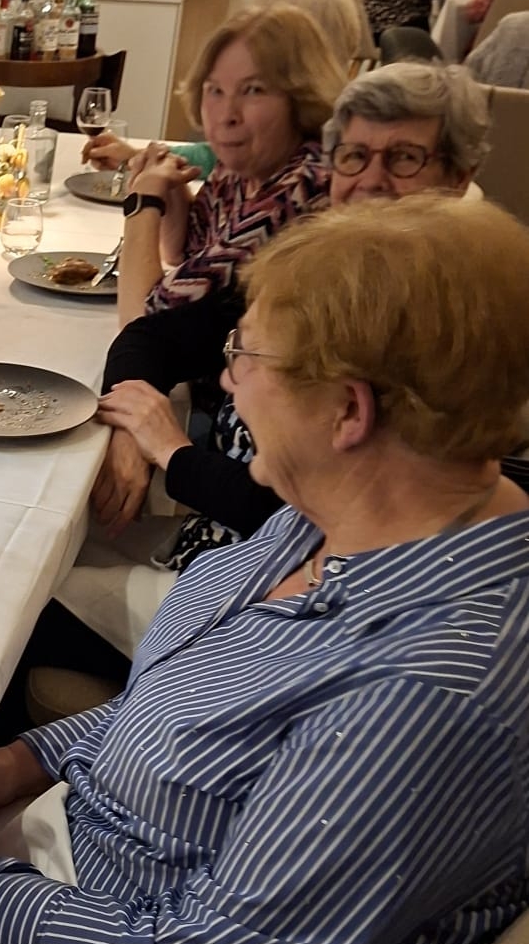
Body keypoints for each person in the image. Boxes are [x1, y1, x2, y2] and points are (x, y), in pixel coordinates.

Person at [0, 193, 529, 944]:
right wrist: (18, 762)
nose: (225, 377)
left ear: (349, 411)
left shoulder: (426, 691)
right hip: (101, 868)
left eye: (245, 354)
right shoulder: (350, 507)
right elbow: (194, 701)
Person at [83, 63, 490, 650]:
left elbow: (316, 515)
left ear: (458, 177)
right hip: (219, 539)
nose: (371, 181)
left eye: (404, 158)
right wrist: (132, 425)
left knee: (23, 595)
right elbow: (151, 336)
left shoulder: (442, 327)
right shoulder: (322, 270)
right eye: (354, 157)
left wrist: (171, 452)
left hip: (287, 600)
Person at [112, 2, 344, 321]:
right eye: (215, 90)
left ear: (302, 97)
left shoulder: (299, 189)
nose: (226, 115)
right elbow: (185, 253)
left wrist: (143, 200)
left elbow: (143, 325)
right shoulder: (248, 167)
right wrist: (170, 187)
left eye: (253, 90)